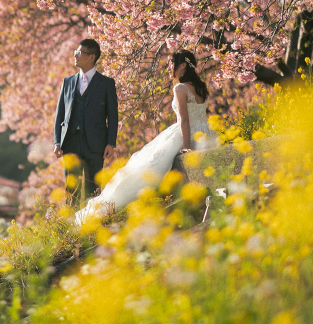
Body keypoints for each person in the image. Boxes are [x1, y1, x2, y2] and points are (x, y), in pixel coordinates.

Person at [75, 49, 216, 222]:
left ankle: (114, 203)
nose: (170, 67)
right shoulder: (201, 88)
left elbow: (185, 120)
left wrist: (186, 147)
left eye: (173, 63)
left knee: (149, 168)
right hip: (205, 133)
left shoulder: (180, 88)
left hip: (185, 134)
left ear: (183, 66)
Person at [53, 38, 119, 202]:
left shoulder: (106, 83)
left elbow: (113, 116)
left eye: (79, 52)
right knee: (71, 190)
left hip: (95, 144)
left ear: (91, 57)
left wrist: (110, 143)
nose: (75, 55)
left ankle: (92, 218)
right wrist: (57, 142)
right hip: (70, 142)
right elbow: (60, 114)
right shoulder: (67, 82)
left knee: (93, 190)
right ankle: (71, 219)